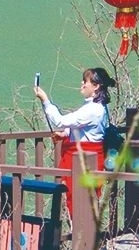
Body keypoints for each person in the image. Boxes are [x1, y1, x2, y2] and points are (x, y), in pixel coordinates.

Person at [36, 68, 113, 217]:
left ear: (96, 86)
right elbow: (84, 130)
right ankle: (86, 237)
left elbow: (60, 121)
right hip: (89, 158)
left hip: (83, 160)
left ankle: (83, 237)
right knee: (84, 201)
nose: (82, 84)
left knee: (79, 202)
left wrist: (45, 100)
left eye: (85, 82)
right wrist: (65, 134)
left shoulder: (92, 109)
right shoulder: (98, 107)